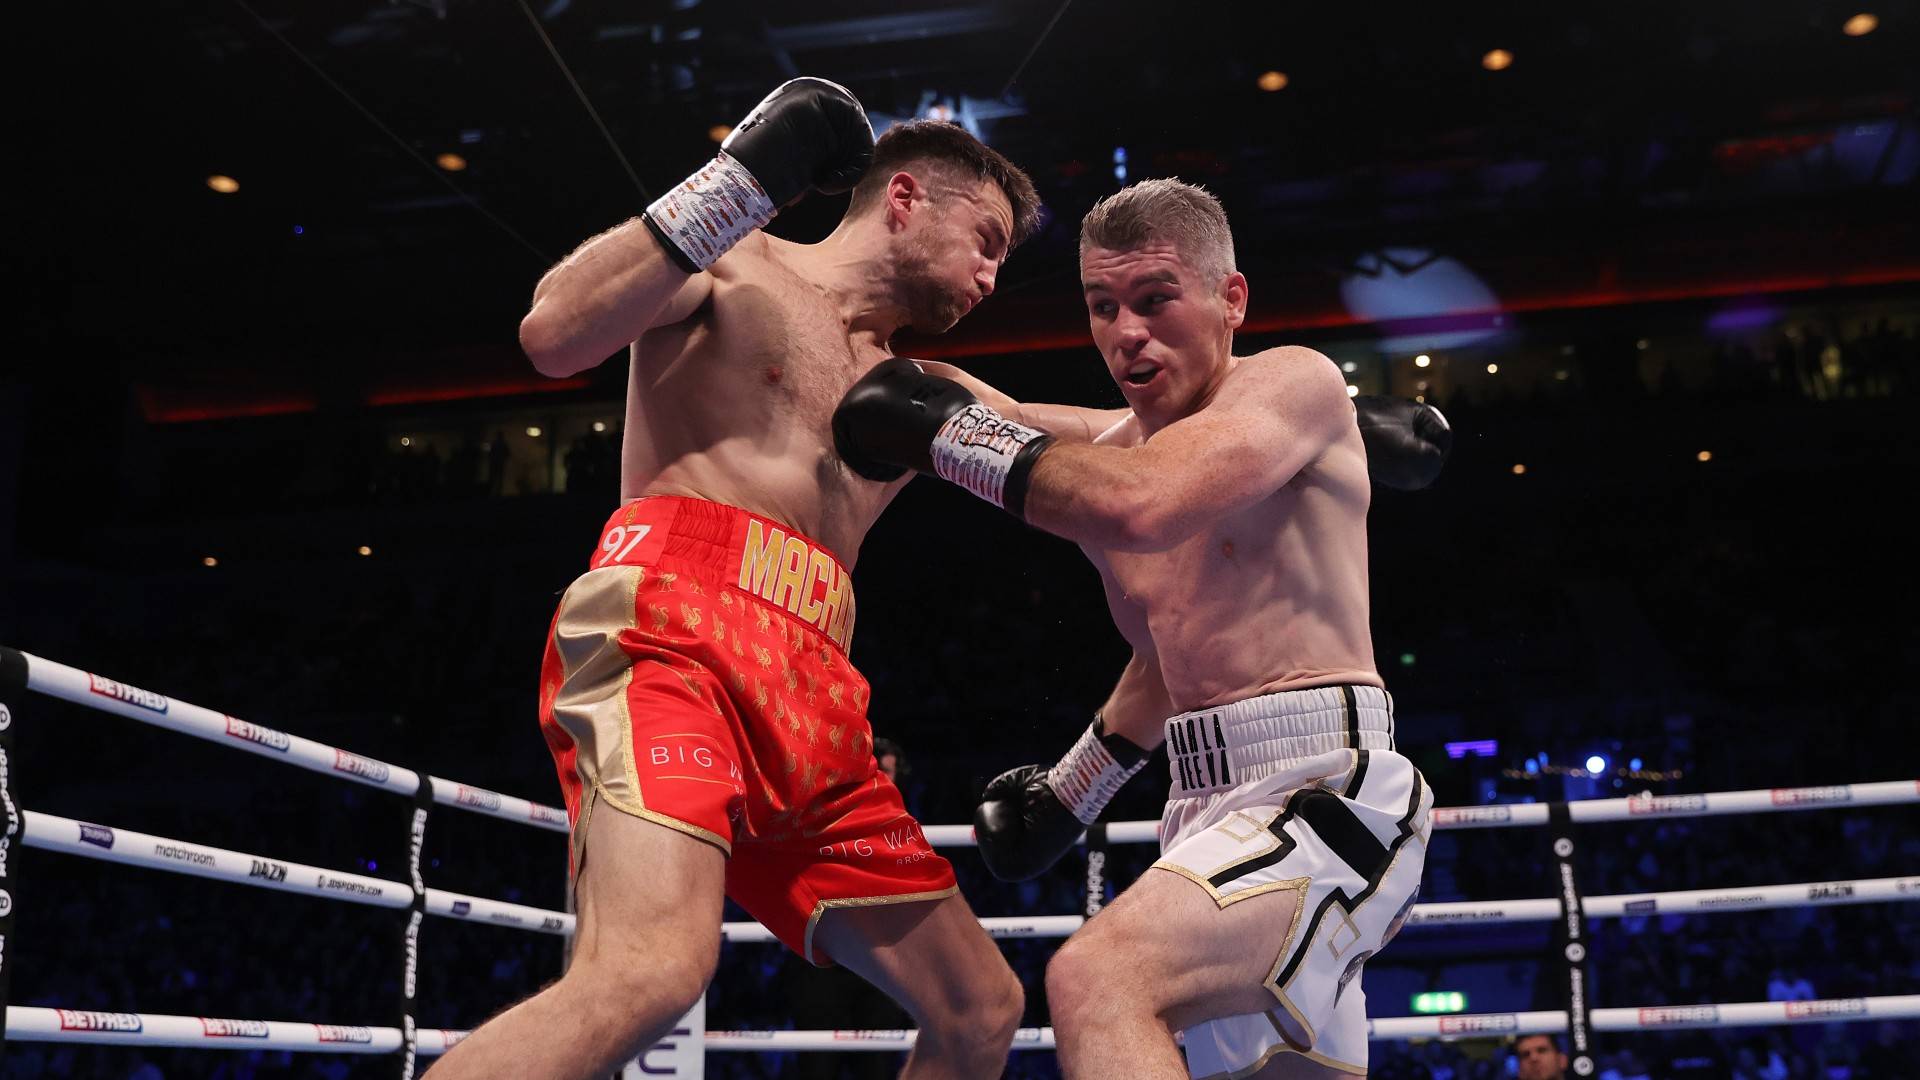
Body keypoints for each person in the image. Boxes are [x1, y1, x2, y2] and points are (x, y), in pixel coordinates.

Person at [427, 79, 1053, 1080]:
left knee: (980, 1010)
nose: (991, 275)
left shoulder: (926, 394)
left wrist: (1271, 412)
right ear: (904, 198)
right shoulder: (736, 260)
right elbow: (554, 334)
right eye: (985, 239)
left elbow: (1102, 448)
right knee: (648, 973)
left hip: (817, 696)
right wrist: (738, 183)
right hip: (672, 637)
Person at [834, 178, 1443, 1077]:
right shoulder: (1104, 455)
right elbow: (1166, 653)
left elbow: (1141, 504)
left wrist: (949, 437)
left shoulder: (1295, 382)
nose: (1126, 332)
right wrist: (1067, 797)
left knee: (1100, 980)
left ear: (1231, 299)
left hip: (1326, 791)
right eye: (1103, 306)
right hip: (1200, 803)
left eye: (1156, 300)